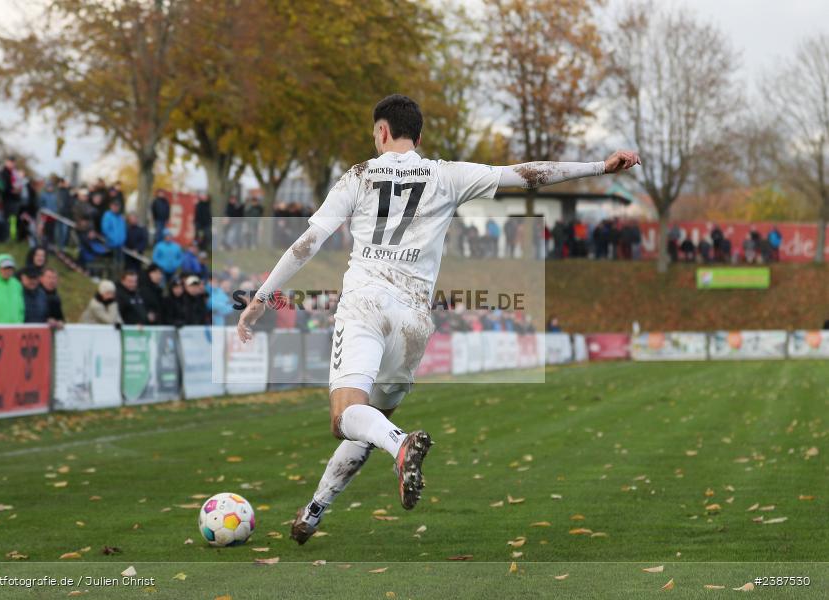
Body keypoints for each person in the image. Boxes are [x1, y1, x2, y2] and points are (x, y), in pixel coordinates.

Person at [233, 94, 640, 543]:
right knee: (371, 423)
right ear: (420, 136)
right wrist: (600, 167)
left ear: (382, 132)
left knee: (346, 417)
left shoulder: (359, 175)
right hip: (413, 321)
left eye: (375, 133)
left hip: (366, 302)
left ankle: (401, 445)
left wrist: (262, 297)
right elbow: (527, 174)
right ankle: (315, 509)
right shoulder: (447, 175)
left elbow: (307, 241)